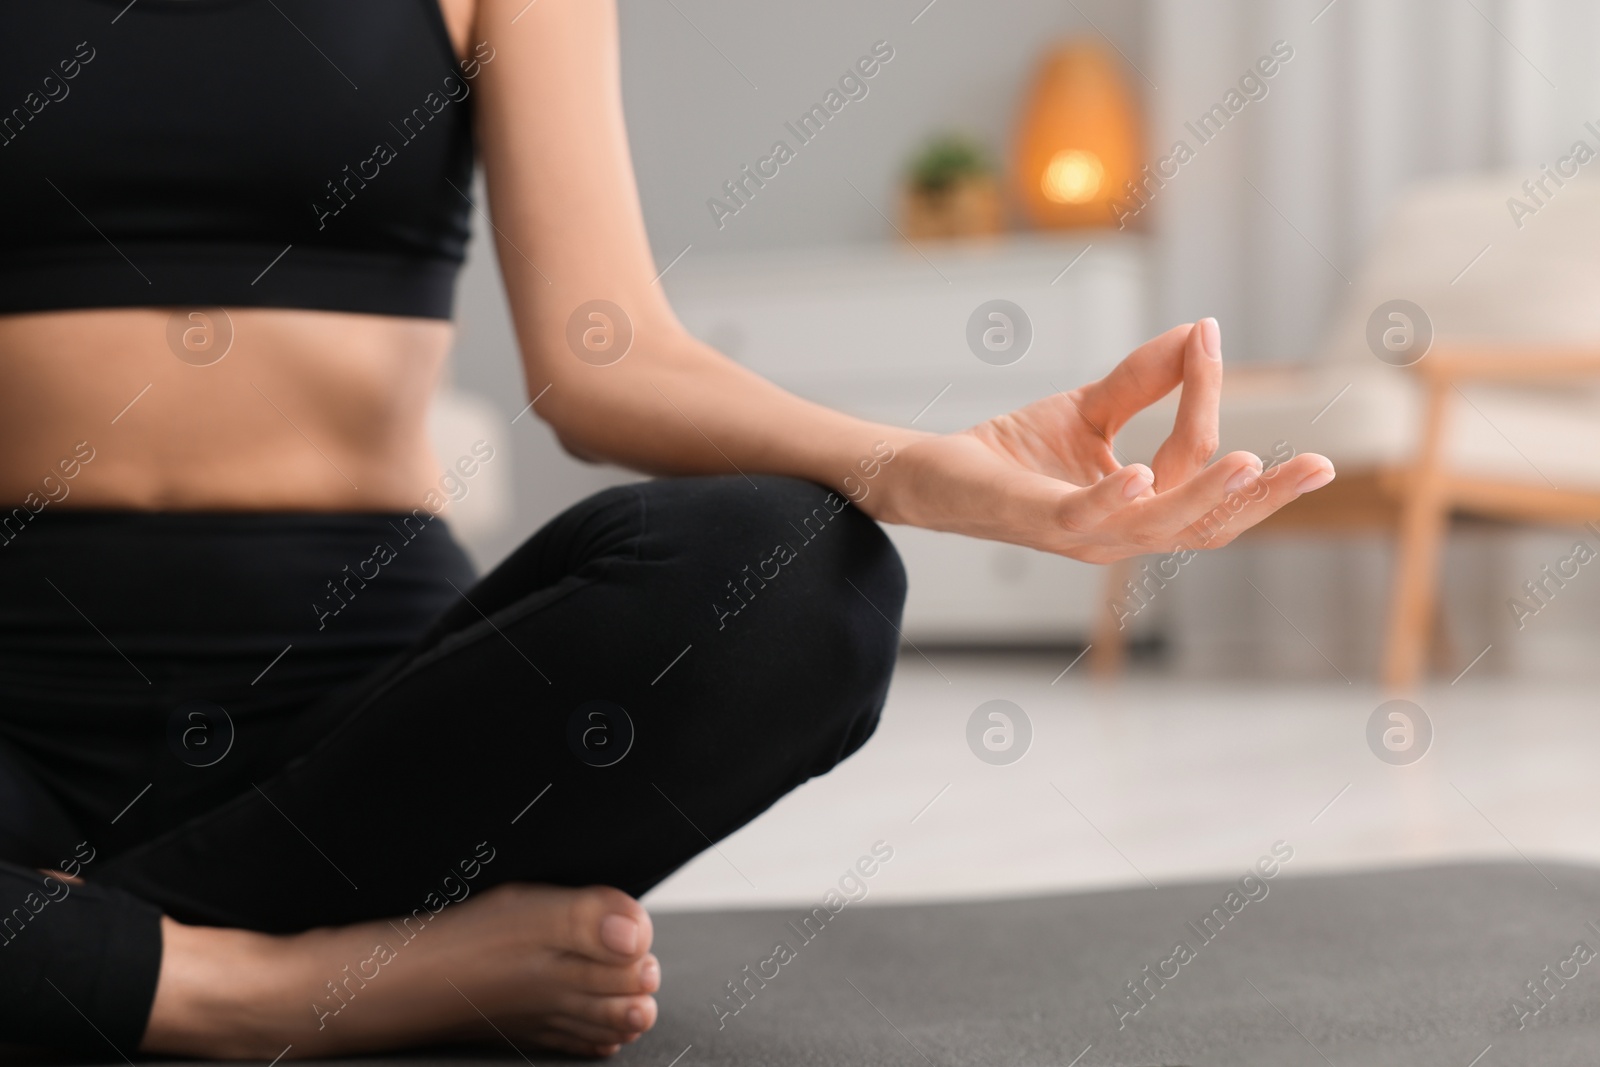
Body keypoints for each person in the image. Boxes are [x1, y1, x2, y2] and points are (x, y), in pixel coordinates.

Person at [0, 0, 1335, 1059]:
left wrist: (931, 468)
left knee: (796, 579)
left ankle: (68, 957)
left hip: (370, 724)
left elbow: (606, 357)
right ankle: (288, 991)